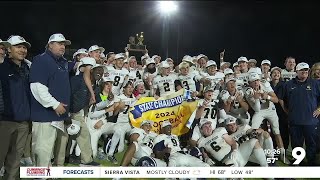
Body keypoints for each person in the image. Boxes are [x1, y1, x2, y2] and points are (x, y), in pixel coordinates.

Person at [29, 33, 72, 167]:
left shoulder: (62, 61)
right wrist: (54, 104)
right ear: (49, 45)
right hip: (44, 115)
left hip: (57, 114)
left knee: (51, 151)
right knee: (42, 151)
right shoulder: (42, 60)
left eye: (64, 44)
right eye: (59, 43)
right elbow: (37, 87)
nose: (62, 46)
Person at [0, 35, 31, 179]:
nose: (22, 50)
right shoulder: (2, 67)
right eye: (18, 46)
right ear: (9, 50)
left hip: (23, 121)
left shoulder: (27, 68)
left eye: (24, 47)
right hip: (4, 121)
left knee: (16, 158)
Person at [279, 62, 320, 166]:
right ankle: (298, 161)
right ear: (296, 71)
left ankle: (311, 161)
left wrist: (319, 109)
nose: (304, 72)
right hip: (295, 121)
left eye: (306, 70)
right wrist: (286, 111)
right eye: (302, 70)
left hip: (311, 121)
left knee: (311, 143)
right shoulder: (288, 84)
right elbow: (281, 99)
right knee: (296, 143)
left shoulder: (315, 83)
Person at [244, 72, 289, 164]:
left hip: (270, 109)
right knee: (254, 130)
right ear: (249, 83)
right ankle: (257, 153)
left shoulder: (265, 84)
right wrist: (256, 98)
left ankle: (282, 156)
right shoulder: (248, 91)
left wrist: (267, 96)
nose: (256, 83)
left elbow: (276, 100)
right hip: (259, 111)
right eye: (253, 81)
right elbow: (256, 109)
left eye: (257, 80)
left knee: (276, 131)